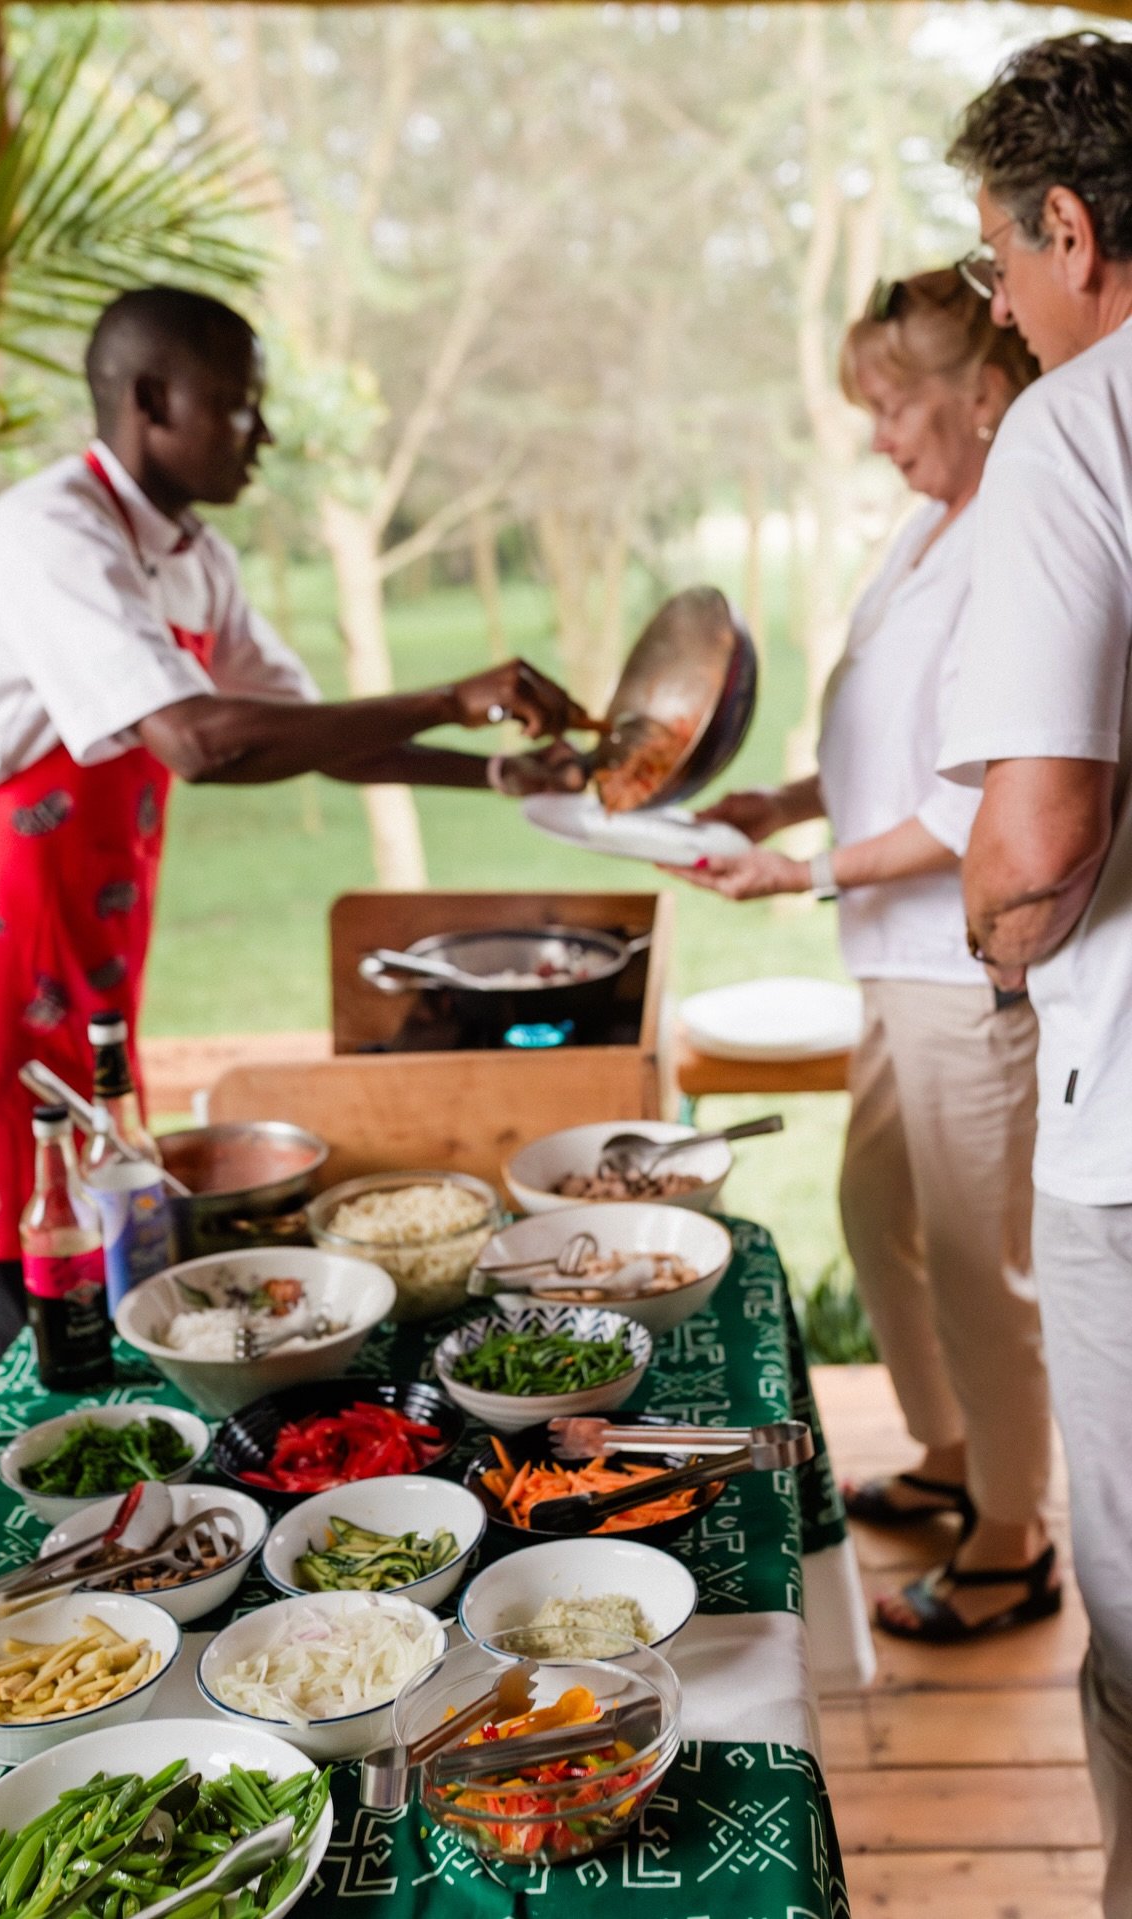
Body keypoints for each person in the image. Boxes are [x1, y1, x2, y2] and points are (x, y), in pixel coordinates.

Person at [0, 284, 589, 1399]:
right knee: (20, 1279)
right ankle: (31, 1537)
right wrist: (455, 693)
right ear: (152, 401)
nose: (266, 436)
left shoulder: (195, 558)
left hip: (77, 941)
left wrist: (491, 768)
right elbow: (201, 739)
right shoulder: (52, 532)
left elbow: (301, 733)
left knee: (100, 1241)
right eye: (242, 408)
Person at [663, 270, 1056, 1642]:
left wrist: (801, 868)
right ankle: (953, 1451)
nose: (881, 435)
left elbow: (974, 801)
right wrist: (785, 802)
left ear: (981, 392)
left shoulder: (1018, 531)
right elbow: (895, 748)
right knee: (876, 1216)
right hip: (895, 961)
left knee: (971, 1258)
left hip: (968, 967)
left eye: (896, 405)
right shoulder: (926, 533)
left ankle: (1015, 1530)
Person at [935, 33, 1132, 1911]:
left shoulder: (1081, 422)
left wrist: (1000, 950)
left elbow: (1043, 833)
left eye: (1001, 257)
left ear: (1070, 225)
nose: (1000, 301)